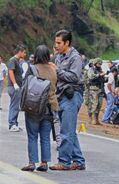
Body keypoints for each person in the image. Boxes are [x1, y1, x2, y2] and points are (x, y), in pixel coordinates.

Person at [49, 29, 86, 171]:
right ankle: (78, 160)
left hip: (72, 95)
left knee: (65, 131)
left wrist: (57, 70)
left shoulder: (75, 58)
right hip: (61, 95)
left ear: (67, 43)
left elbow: (74, 77)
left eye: (59, 43)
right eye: (55, 42)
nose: (56, 45)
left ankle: (64, 161)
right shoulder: (58, 57)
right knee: (69, 129)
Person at [21, 45, 59, 172]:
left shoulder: (32, 68)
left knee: (32, 135)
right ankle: (44, 163)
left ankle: (32, 162)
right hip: (50, 107)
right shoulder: (53, 70)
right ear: (48, 56)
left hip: (34, 106)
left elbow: (25, 86)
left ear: (36, 55)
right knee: (45, 136)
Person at [7, 44, 27, 132]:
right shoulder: (13, 60)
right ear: (20, 52)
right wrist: (15, 84)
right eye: (24, 52)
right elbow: (10, 72)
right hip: (14, 87)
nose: (25, 54)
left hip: (17, 86)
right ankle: (12, 124)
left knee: (14, 105)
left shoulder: (17, 61)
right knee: (14, 106)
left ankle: (14, 123)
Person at [87, 58, 105, 125]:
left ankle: (96, 119)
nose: (99, 65)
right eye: (98, 63)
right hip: (94, 89)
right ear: (95, 63)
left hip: (100, 89)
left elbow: (103, 80)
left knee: (99, 105)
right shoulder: (91, 70)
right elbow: (91, 76)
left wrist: (104, 77)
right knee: (94, 104)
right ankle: (92, 119)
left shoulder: (100, 70)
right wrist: (99, 75)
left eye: (100, 64)